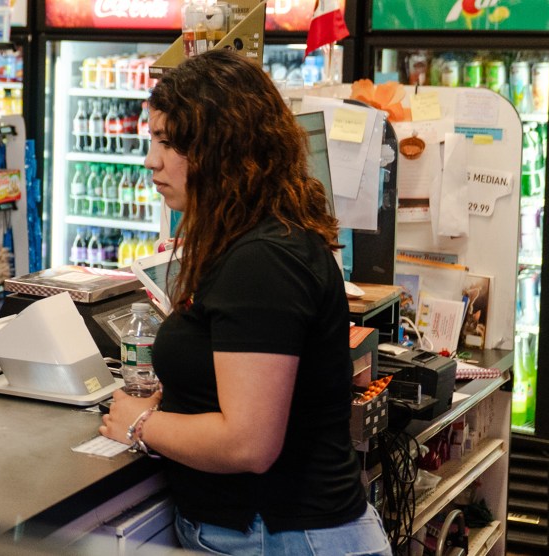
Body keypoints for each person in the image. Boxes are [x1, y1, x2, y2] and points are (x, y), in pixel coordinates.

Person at [99, 50, 392, 555]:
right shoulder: (253, 240)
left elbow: (248, 444)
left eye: (169, 143)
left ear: (222, 149)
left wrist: (140, 423)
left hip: (282, 539)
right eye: (153, 140)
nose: (151, 161)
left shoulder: (262, 260)